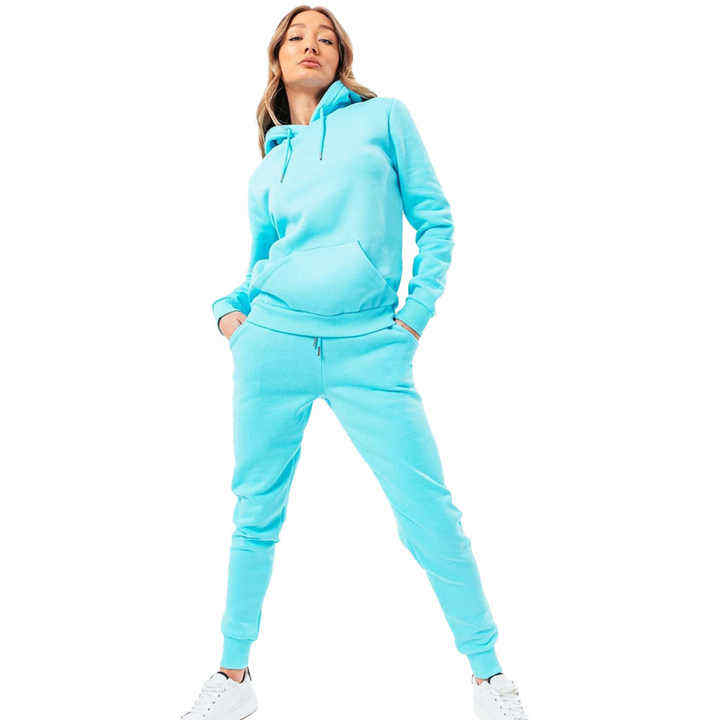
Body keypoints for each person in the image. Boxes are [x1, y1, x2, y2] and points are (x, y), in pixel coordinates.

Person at [181, 6, 529, 720]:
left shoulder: (385, 119)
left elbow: (436, 220)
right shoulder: (269, 164)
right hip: (272, 344)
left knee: (428, 510)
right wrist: (228, 313)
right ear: (278, 57)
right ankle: (233, 680)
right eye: (297, 37)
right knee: (255, 515)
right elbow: (261, 261)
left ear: (342, 57)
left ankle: (489, 678)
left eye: (326, 38)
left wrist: (412, 318)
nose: (311, 45)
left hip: (371, 346)